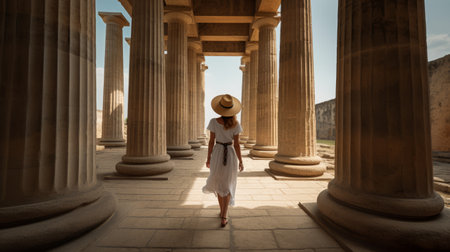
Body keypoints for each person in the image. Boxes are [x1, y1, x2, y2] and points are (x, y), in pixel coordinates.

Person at [202, 94, 244, 227]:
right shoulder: (236, 124)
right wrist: (241, 161)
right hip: (230, 154)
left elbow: (211, 142)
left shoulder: (213, 122)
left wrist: (208, 157)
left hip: (218, 152)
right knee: (228, 183)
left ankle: (222, 213)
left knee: (220, 183)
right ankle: (224, 215)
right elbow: (236, 145)